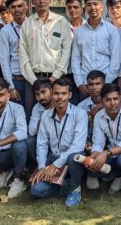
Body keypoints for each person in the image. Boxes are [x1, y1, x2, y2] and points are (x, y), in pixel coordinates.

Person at [30, 78, 88, 207]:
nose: (60, 97)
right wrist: (42, 167)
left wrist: (54, 166)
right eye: (56, 93)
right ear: (52, 94)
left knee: (74, 157)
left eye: (63, 93)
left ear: (70, 95)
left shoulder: (80, 114)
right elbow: (42, 143)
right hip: (53, 157)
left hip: (71, 159)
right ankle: (66, 185)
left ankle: (74, 189)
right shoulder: (45, 115)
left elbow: (77, 146)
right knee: (36, 190)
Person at [19, 0, 73, 102]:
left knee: (57, 110)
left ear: (50, 1)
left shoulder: (61, 22)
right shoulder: (27, 24)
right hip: (33, 79)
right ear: (33, 1)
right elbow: (23, 54)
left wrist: (55, 76)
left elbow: (66, 51)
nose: (41, 1)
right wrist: (34, 81)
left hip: (57, 79)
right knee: (31, 111)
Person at [71, 0, 121, 100]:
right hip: (85, 85)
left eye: (95, 4)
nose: (92, 7)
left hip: (107, 85)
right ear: (85, 8)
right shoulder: (79, 32)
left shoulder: (112, 30)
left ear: (101, 7)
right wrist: (80, 84)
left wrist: (105, 84)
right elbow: (75, 59)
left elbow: (115, 61)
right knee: (85, 110)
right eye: (89, 5)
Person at [0, 0, 30, 109]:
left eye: (20, 6)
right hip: (17, 80)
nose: (17, 9)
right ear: (9, 10)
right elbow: (4, 60)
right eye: (13, 7)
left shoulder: (35, 26)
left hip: (34, 79)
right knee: (18, 113)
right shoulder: (5, 31)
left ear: (26, 7)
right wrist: (11, 86)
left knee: (34, 113)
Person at [27, 79, 54, 168]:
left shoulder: (60, 104)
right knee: (29, 140)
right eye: (37, 94)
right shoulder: (37, 107)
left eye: (43, 92)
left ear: (52, 90)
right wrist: (45, 117)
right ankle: (39, 166)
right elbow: (31, 131)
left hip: (59, 141)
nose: (41, 97)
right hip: (43, 139)